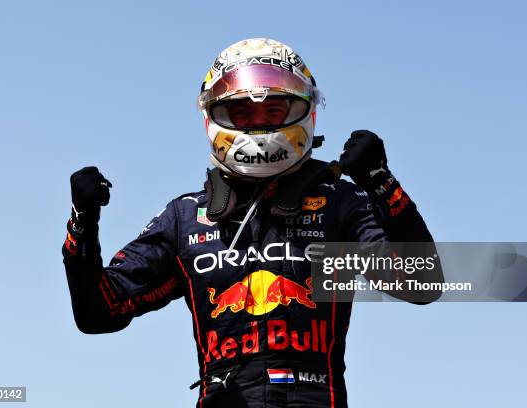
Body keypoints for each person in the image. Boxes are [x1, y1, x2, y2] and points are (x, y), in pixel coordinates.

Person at [62, 38, 442, 408]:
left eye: (274, 111)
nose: (258, 123)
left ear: (306, 111)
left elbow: (423, 283)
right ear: (213, 117)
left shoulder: (339, 202)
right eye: (242, 113)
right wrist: (83, 224)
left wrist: (381, 182)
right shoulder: (185, 217)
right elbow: (98, 313)